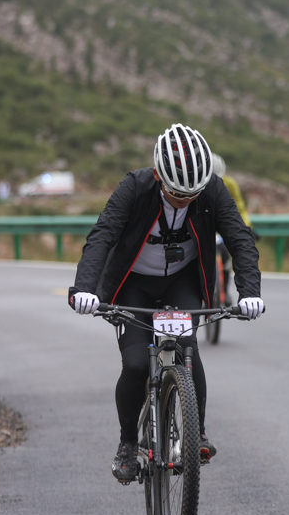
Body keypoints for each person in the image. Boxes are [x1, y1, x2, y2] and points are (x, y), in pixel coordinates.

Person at [68, 123, 264, 483]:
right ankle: (128, 443)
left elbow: (240, 238)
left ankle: (197, 433)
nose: (185, 201)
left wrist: (250, 291)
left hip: (182, 281)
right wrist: (85, 288)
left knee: (188, 346)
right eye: (176, 193)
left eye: (193, 194)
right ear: (158, 175)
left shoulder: (212, 190)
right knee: (135, 365)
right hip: (134, 285)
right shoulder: (134, 187)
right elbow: (102, 235)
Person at [211, 153, 252, 308]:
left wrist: (246, 228)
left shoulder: (230, 184)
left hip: (222, 226)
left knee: (226, 252)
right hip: (204, 225)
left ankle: (225, 289)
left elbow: (239, 208)